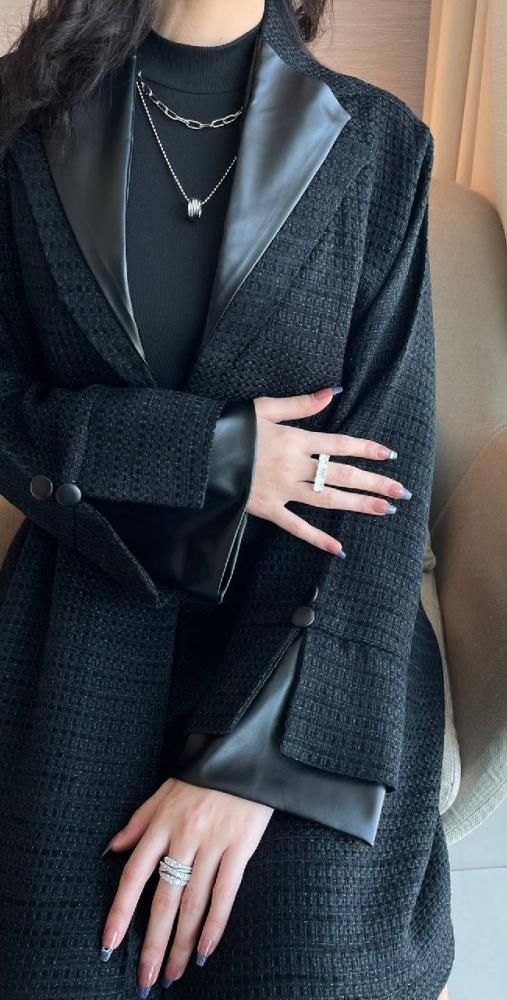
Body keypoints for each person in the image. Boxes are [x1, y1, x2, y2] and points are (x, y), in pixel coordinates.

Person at [0, 0, 453, 997]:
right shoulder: (21, 122)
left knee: (312, 960)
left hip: (307, 637)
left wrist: (254, 765)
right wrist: (209, 456)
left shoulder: (381, 144)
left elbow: (386, 479)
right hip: (85, 617)